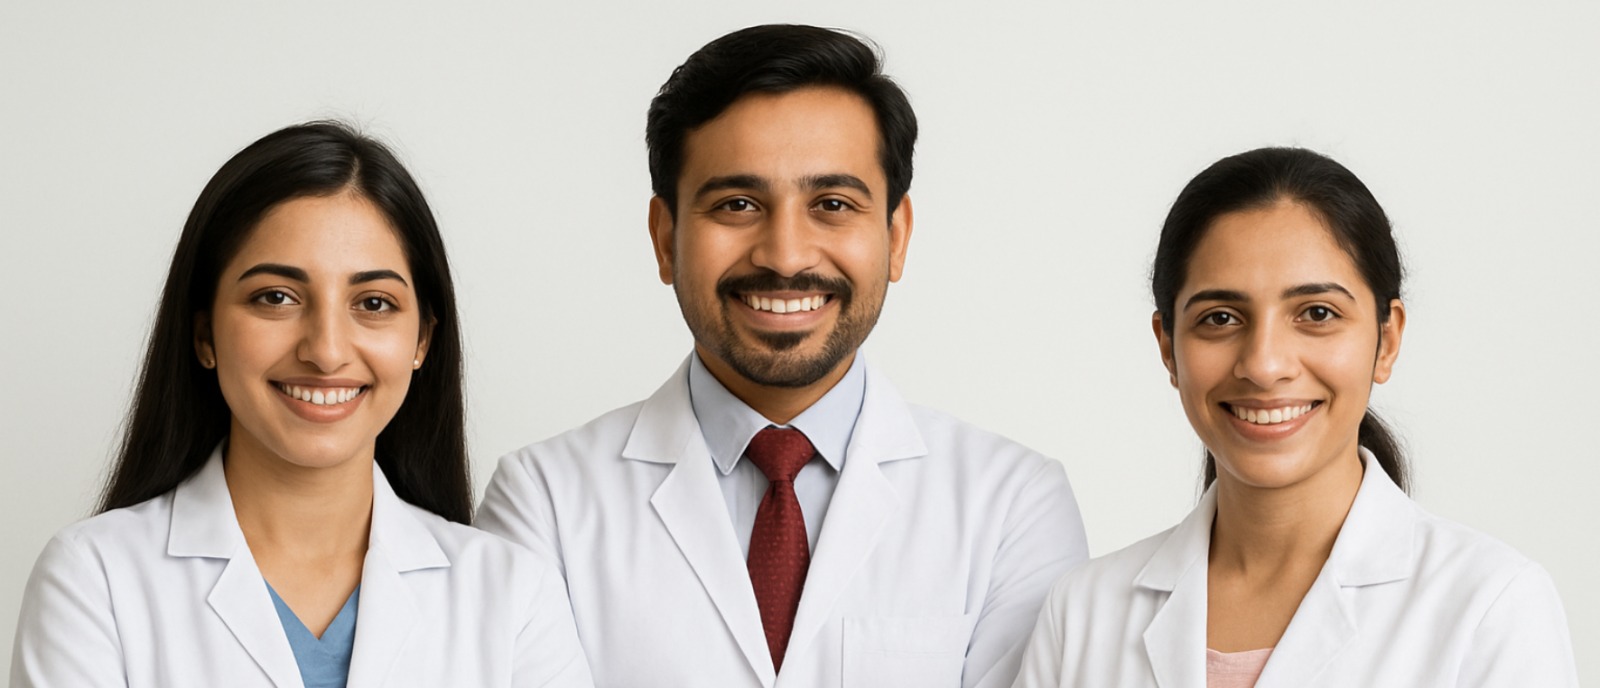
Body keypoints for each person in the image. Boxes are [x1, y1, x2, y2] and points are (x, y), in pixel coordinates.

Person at [476, 24, 1089, 688]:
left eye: (832, 204)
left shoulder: (1012, 504)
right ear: (664, 238)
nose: (786, 255)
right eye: (737, 204)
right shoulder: (543, 502)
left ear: (897, 236)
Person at [11, 122, 593, 688]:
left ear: (423, 342)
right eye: (276, 297)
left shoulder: (514, 597)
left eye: (373, 302)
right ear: (204, 335)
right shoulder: (94, 581)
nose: (327, 350)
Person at [1013, 147, 1578, 687]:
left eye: (1316, 313)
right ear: (1168, 348)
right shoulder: (1085, 612)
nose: (1264, 365)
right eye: (1219, 318)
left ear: (1386, 340)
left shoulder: (1490, 606)